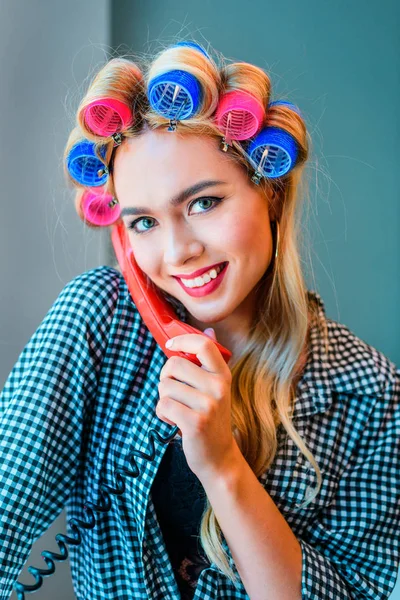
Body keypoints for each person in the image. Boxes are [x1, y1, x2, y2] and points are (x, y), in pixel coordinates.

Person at [1, 39, 399, 600]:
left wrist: (224, 467)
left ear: (272, 193)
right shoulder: (98, 322)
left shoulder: (371, 397)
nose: (178, 251)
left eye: (203, 203)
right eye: (142, 223)